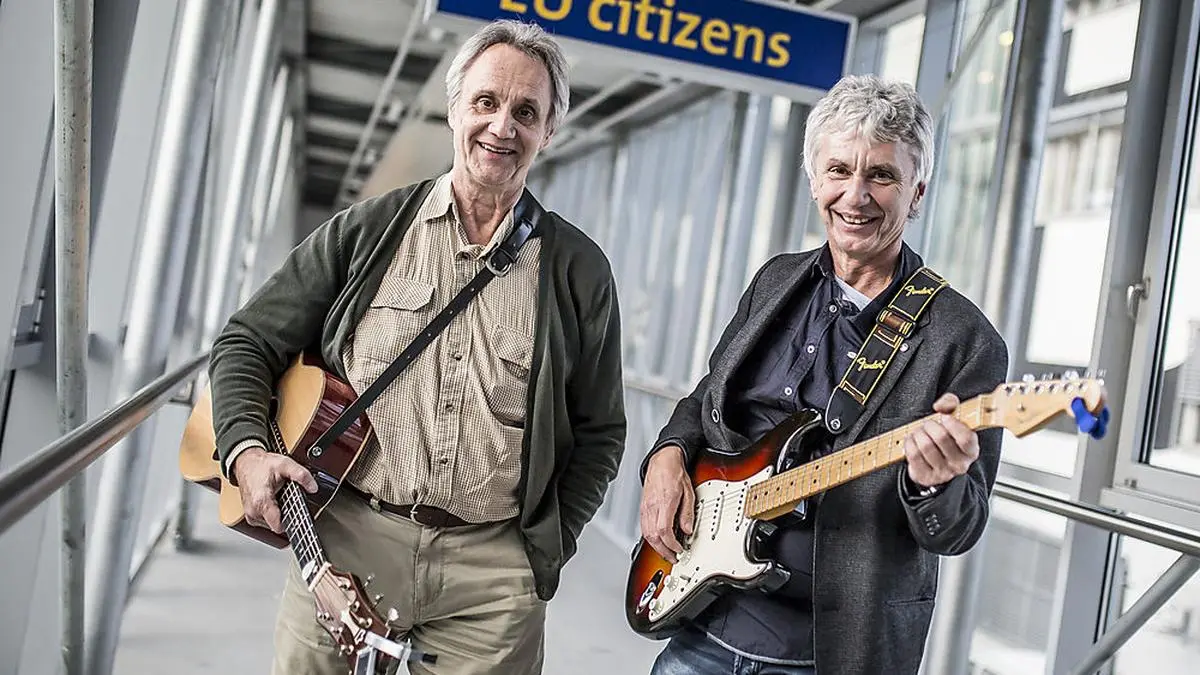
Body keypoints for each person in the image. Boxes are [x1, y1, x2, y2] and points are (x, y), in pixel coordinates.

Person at [207, 19, 626, 675]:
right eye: (486, 102)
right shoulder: (372, 230)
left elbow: (601, 429)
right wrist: (245, 449)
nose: (502, 126)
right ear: (455, 107)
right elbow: (247, 339)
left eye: (526, 111)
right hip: (346, 537)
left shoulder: (578, 270)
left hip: (489, 576)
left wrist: (543, 552)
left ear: (549, 132)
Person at [638, 75, 1008, 675]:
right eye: (838, 171)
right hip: (703, 621)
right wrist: (667, 455)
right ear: (814, 180)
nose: (855, 196)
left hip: (831, 654)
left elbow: (959, 528)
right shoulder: (775, 280)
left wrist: (933, 484)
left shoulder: (964, 340)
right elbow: (706, 400)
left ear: (917, 193)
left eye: (882, 176)